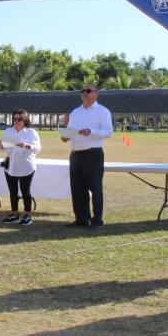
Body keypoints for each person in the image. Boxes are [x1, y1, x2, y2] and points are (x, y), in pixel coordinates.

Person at [61, 84, 112, 230]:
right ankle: (81, 219)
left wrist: (90, 131)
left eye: (88, 91)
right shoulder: (75, 112)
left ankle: (97, 221)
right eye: (82, 91)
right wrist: (66, 137)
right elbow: (70, 130)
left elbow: (108, 132)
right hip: (76, 154)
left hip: (93, 154)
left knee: (95, 189)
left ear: (96, 93)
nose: (84, 93)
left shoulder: (103, 111)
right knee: (77, 189)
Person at [0, 109, 41, 226]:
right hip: (10, 165)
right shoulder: (8, 131)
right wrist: (1, 145)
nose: (16, 121)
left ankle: (27, 215)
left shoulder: (31, 132)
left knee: (25, 191)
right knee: (13, 191)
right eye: (15, 119)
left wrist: (26, 145)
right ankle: (15, 214)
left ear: (25, 120)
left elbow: (37, 148)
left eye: (20, 119)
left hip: (26, 166)